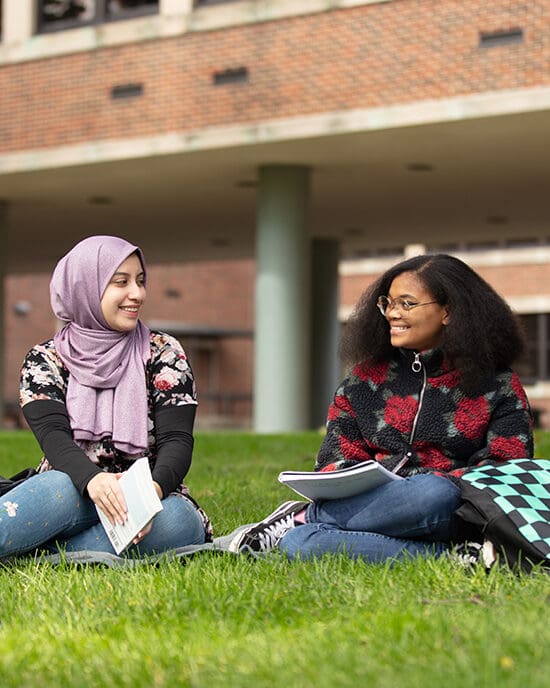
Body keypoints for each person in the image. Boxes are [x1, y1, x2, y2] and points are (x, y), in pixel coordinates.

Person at [229, 253, 533, 564]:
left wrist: (431, 483)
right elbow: (335, 459)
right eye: (387, 303)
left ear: (448, 312)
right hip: (373, 510)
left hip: (451, 513)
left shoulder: (498, 384)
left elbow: (507, 470)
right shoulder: (362, 381)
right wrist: (369, 485)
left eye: (407, 304)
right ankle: (455, 559)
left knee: (432, 492)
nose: (391, 313)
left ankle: (305, 517)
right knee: (300, 545)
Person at [0, 235, 211, 560]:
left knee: (180, 522)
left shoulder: (164, 352)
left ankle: (40, 556)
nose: (137, 294)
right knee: (55, 490)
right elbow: (55, 440)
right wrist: (94, 481)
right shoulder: (45, 359)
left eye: (140, 281)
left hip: (148, 496)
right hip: (72, 487)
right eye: (121, 282)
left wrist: (149, 495)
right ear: (85, 286)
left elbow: (177, 441)